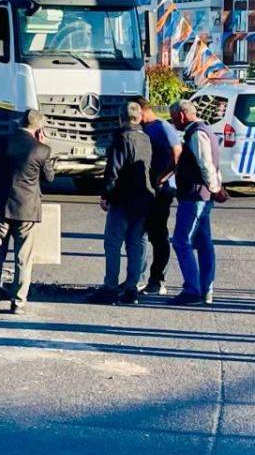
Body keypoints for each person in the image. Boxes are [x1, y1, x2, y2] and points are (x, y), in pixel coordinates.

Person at [0, 109, 55, 315]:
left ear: (20, 122)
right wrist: (44, 145)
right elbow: (49, 177)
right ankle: (18, 302)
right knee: (23, 257)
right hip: (26, 210)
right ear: (39, 128)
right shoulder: (41, 150)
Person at [91, 101, 154, 305]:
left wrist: (106, 194)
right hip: (144, 199)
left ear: (121, 119)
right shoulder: (146, 138)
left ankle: (110, 287)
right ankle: (131, 288)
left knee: (113, 244)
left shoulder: (121, 138)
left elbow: (114, 169)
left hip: (123, 198)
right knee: (135, 245)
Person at [170, 100, 226, 305]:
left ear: (183, 116)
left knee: (181, 241)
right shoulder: (206, 131)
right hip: (202, 195)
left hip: (195, 195)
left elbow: (205, 164)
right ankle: (206, 288)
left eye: (174, 118)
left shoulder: (196, 134)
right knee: (203, 242)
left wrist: (214, 188)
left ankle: (192, 289)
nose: (174, 122)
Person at [137, 97, 183, 295]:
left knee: (158, 236)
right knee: (140, 234)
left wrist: (164, 177)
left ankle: (158, 280)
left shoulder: (163, 127)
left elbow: (177, 154)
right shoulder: (142, 128)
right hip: (145, 190)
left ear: (143, 110)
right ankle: (138, 278)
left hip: (161, 190)